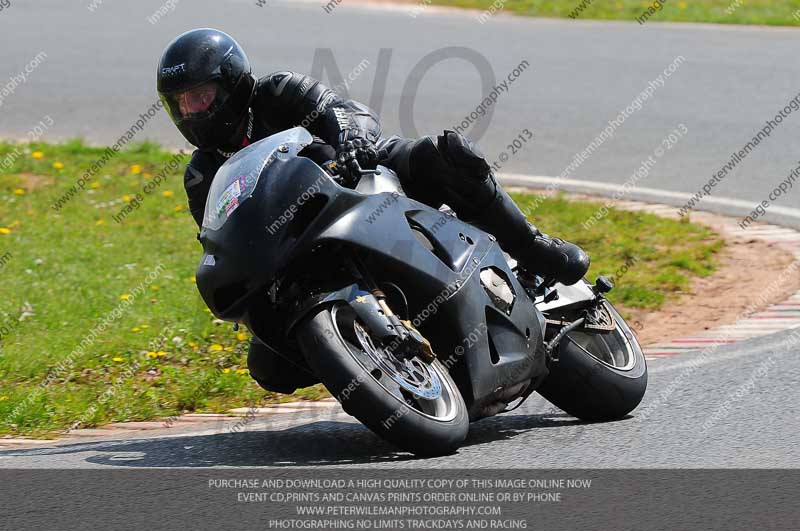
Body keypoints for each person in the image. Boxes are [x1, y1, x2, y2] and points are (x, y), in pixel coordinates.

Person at [157, 28, 590, 393]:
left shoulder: (278, 91)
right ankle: (367, 363)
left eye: (201, 96)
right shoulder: (200, 175)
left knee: (448, 156)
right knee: (268, 366)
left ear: (231, 83)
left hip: (364, 176)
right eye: (182, 103)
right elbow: (218, 231)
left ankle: (533, 247)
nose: (192, 110)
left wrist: (353, 144)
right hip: (299, 243)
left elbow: (345, 112)